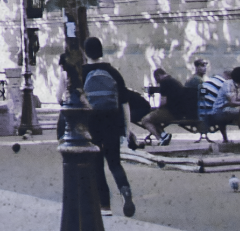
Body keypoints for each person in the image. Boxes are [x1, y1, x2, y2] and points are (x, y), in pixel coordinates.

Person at [77, 37, 136, 217]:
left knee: (97, 165)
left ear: (85, 52)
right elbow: (125, 103)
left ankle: (105, 206)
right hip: (112, 122)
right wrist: (128, 129)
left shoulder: (82, 73)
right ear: (101, 51)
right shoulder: (113, 72)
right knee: (114, 162)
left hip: (92, 124)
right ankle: (125, 191)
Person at [138, 66, 194, 144]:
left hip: (171, 112)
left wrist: (157, 108)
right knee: (154, 117)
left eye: (156, 79)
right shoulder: (173, 80)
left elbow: (163, 102)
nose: (157, 81)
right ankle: (164, 135)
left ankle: (160, 139)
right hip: (180, 112)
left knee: (145, 120)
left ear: (158, 76)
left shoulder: (164, 82)